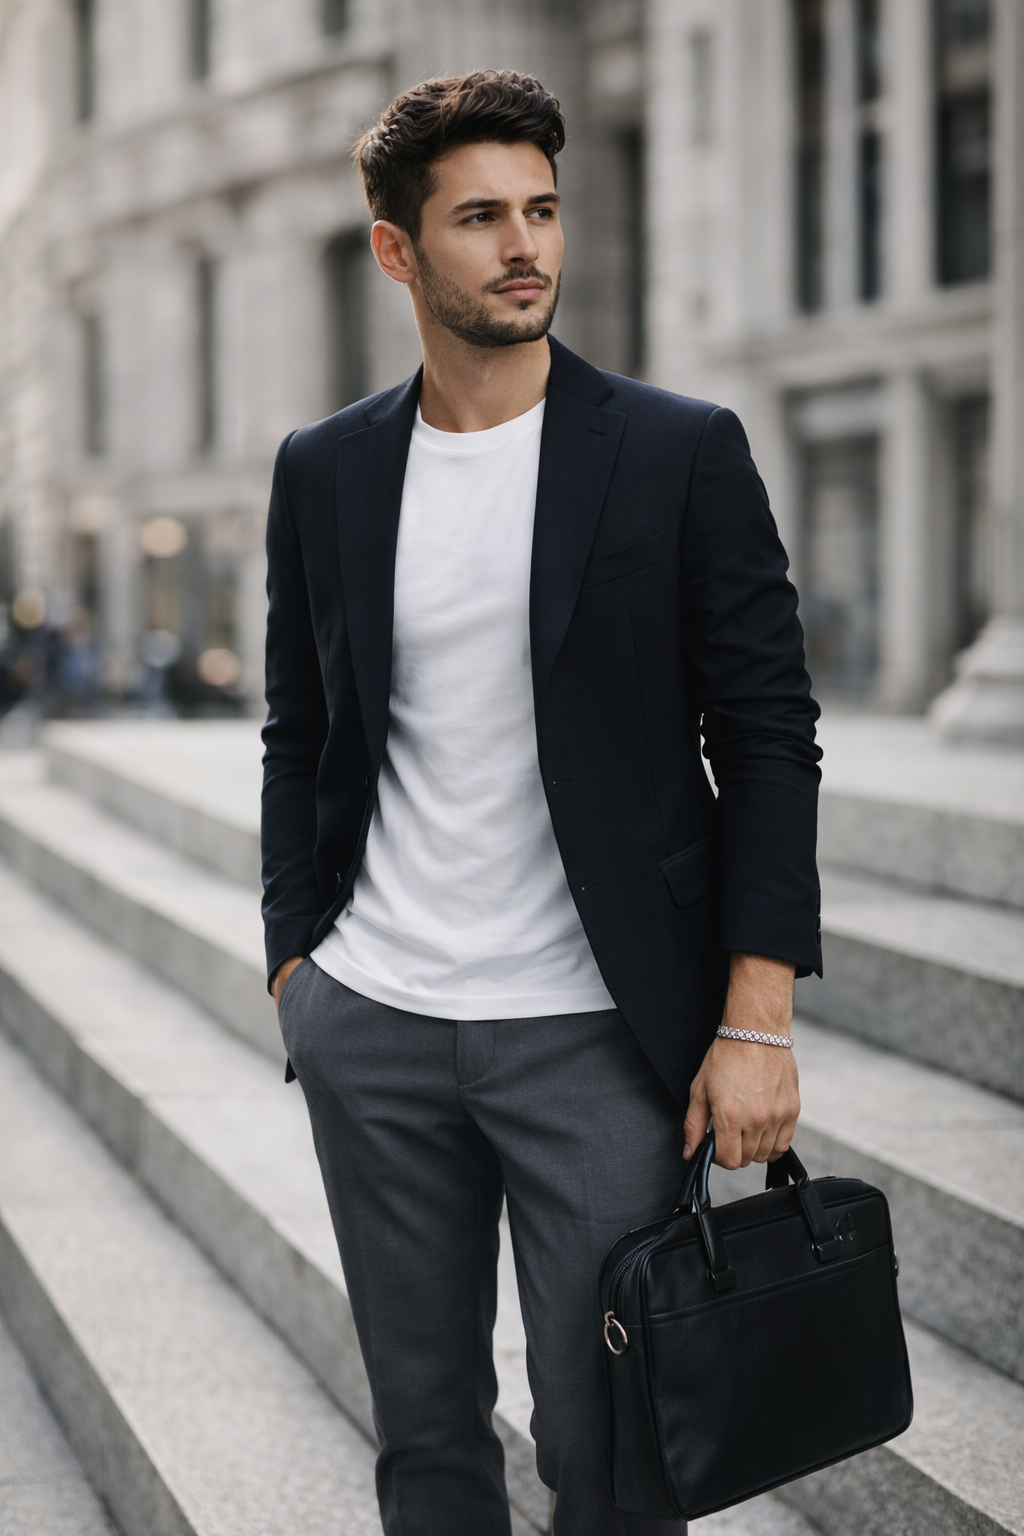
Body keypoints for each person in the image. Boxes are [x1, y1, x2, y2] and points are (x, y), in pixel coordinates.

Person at [261, 69, 821, 1536]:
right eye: (480, 219)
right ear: (397, 251)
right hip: (375, 1023)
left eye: (543, 211)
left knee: (614, 1449)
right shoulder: (325, 472)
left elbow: (767, 736)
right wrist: (297, 963)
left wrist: (755, 1015)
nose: (527, 247)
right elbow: (298, 728)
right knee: (426, 1438)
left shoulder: (675, 450)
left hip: (594, 1034)